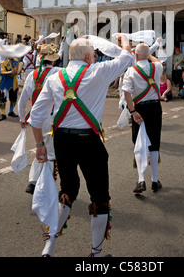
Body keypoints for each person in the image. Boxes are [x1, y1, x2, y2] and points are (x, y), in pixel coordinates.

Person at [29, 36, 133, 258]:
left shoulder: (54, 76)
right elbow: (127, 58)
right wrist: (124, 40)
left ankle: (50, 245)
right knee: (100, 196)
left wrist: (40, 146)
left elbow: (36, 117)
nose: (94, 58)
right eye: (94, 55)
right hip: (88, 140)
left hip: (62, 141)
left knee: (67, 190)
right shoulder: (98, 71)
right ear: (88, 56)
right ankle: (95, 254)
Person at [18, 43, 61, 195]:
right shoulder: (59, 73)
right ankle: (40, 184)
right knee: (50, 152)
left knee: (41, 147)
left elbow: (23, 99)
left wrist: (22, 117)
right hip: (52, 118)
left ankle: (34, 181)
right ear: (54, 60)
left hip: (36, 120)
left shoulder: (32, 75)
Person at [122, 43, 163, 194]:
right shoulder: (157, 67)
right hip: (155, 108)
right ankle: (154, 180)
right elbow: (157, 61)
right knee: (154, 142)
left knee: (139, 142)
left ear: (136, 56)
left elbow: (126, 93)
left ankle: (141, 180)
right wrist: (148, 52)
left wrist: (132, 111)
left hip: (139, 108)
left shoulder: (131, 71)